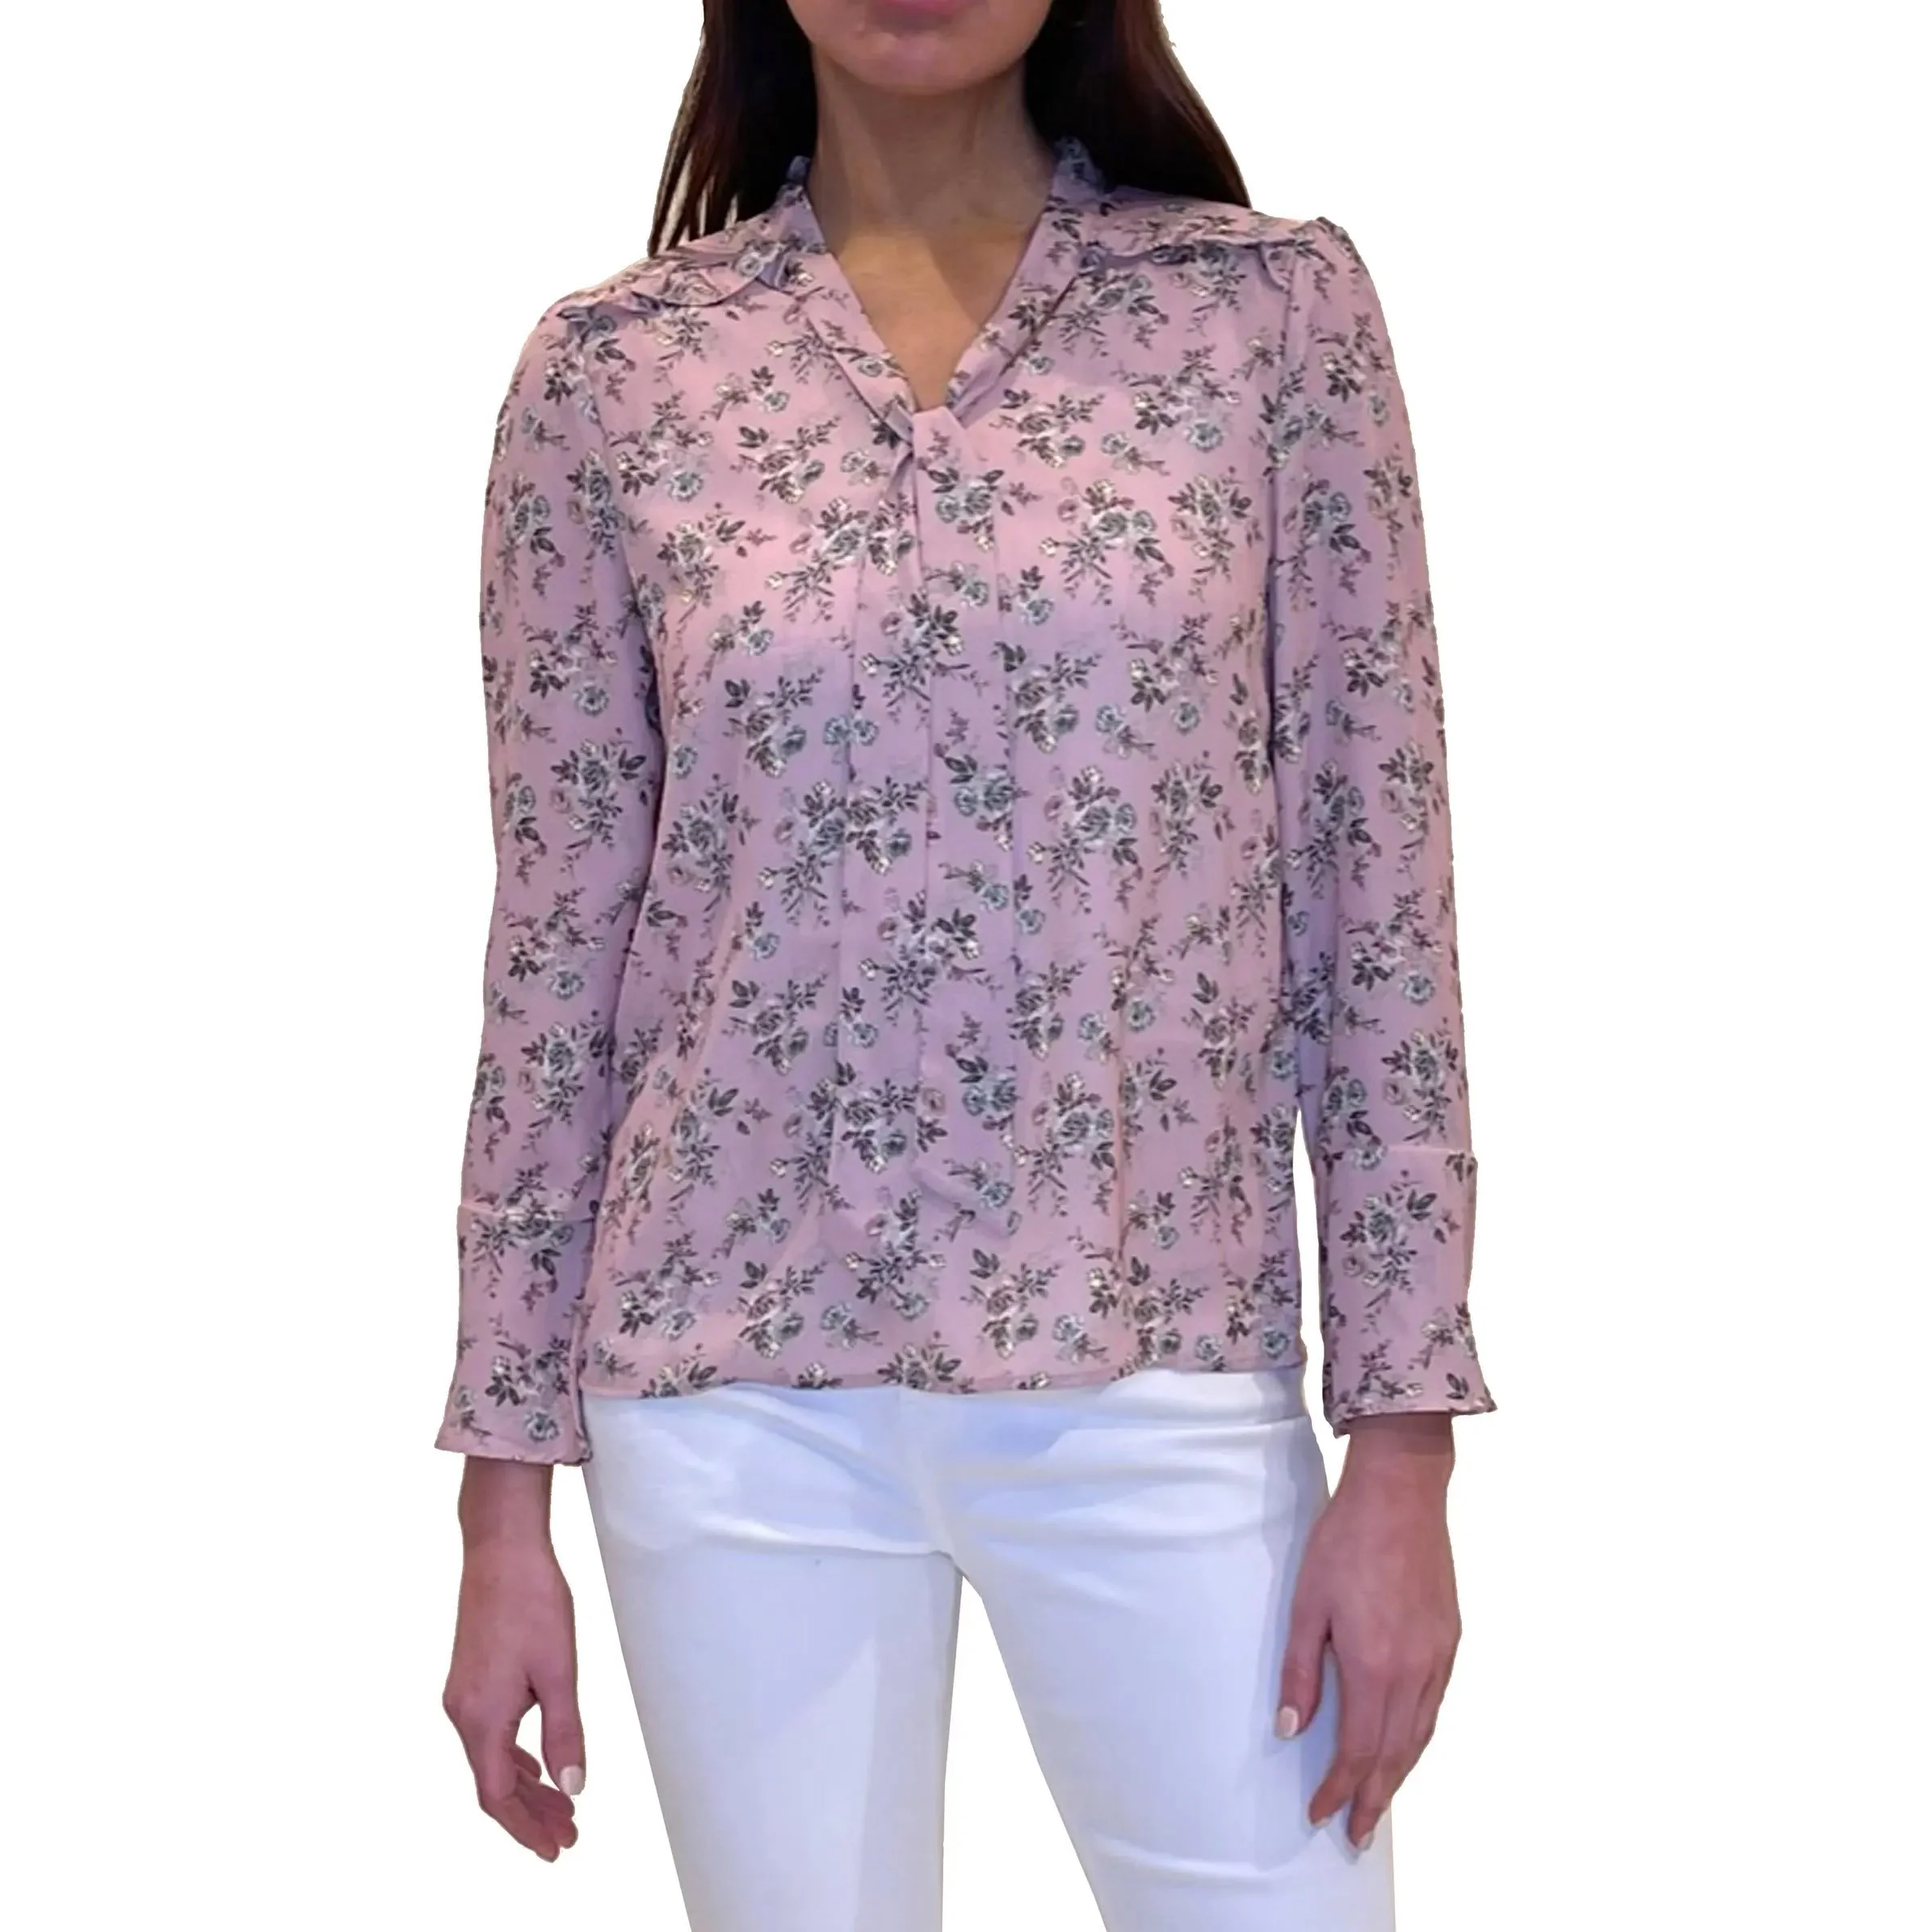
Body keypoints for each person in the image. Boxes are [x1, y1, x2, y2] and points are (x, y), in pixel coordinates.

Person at [435, 1, 1496, 1924]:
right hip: (723, 1391)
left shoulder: (1264, 323)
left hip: (1155, 1352)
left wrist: (1401, 1439)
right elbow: (557, 954)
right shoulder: (613, 377)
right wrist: (501, 1492)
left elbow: (1376, 885)